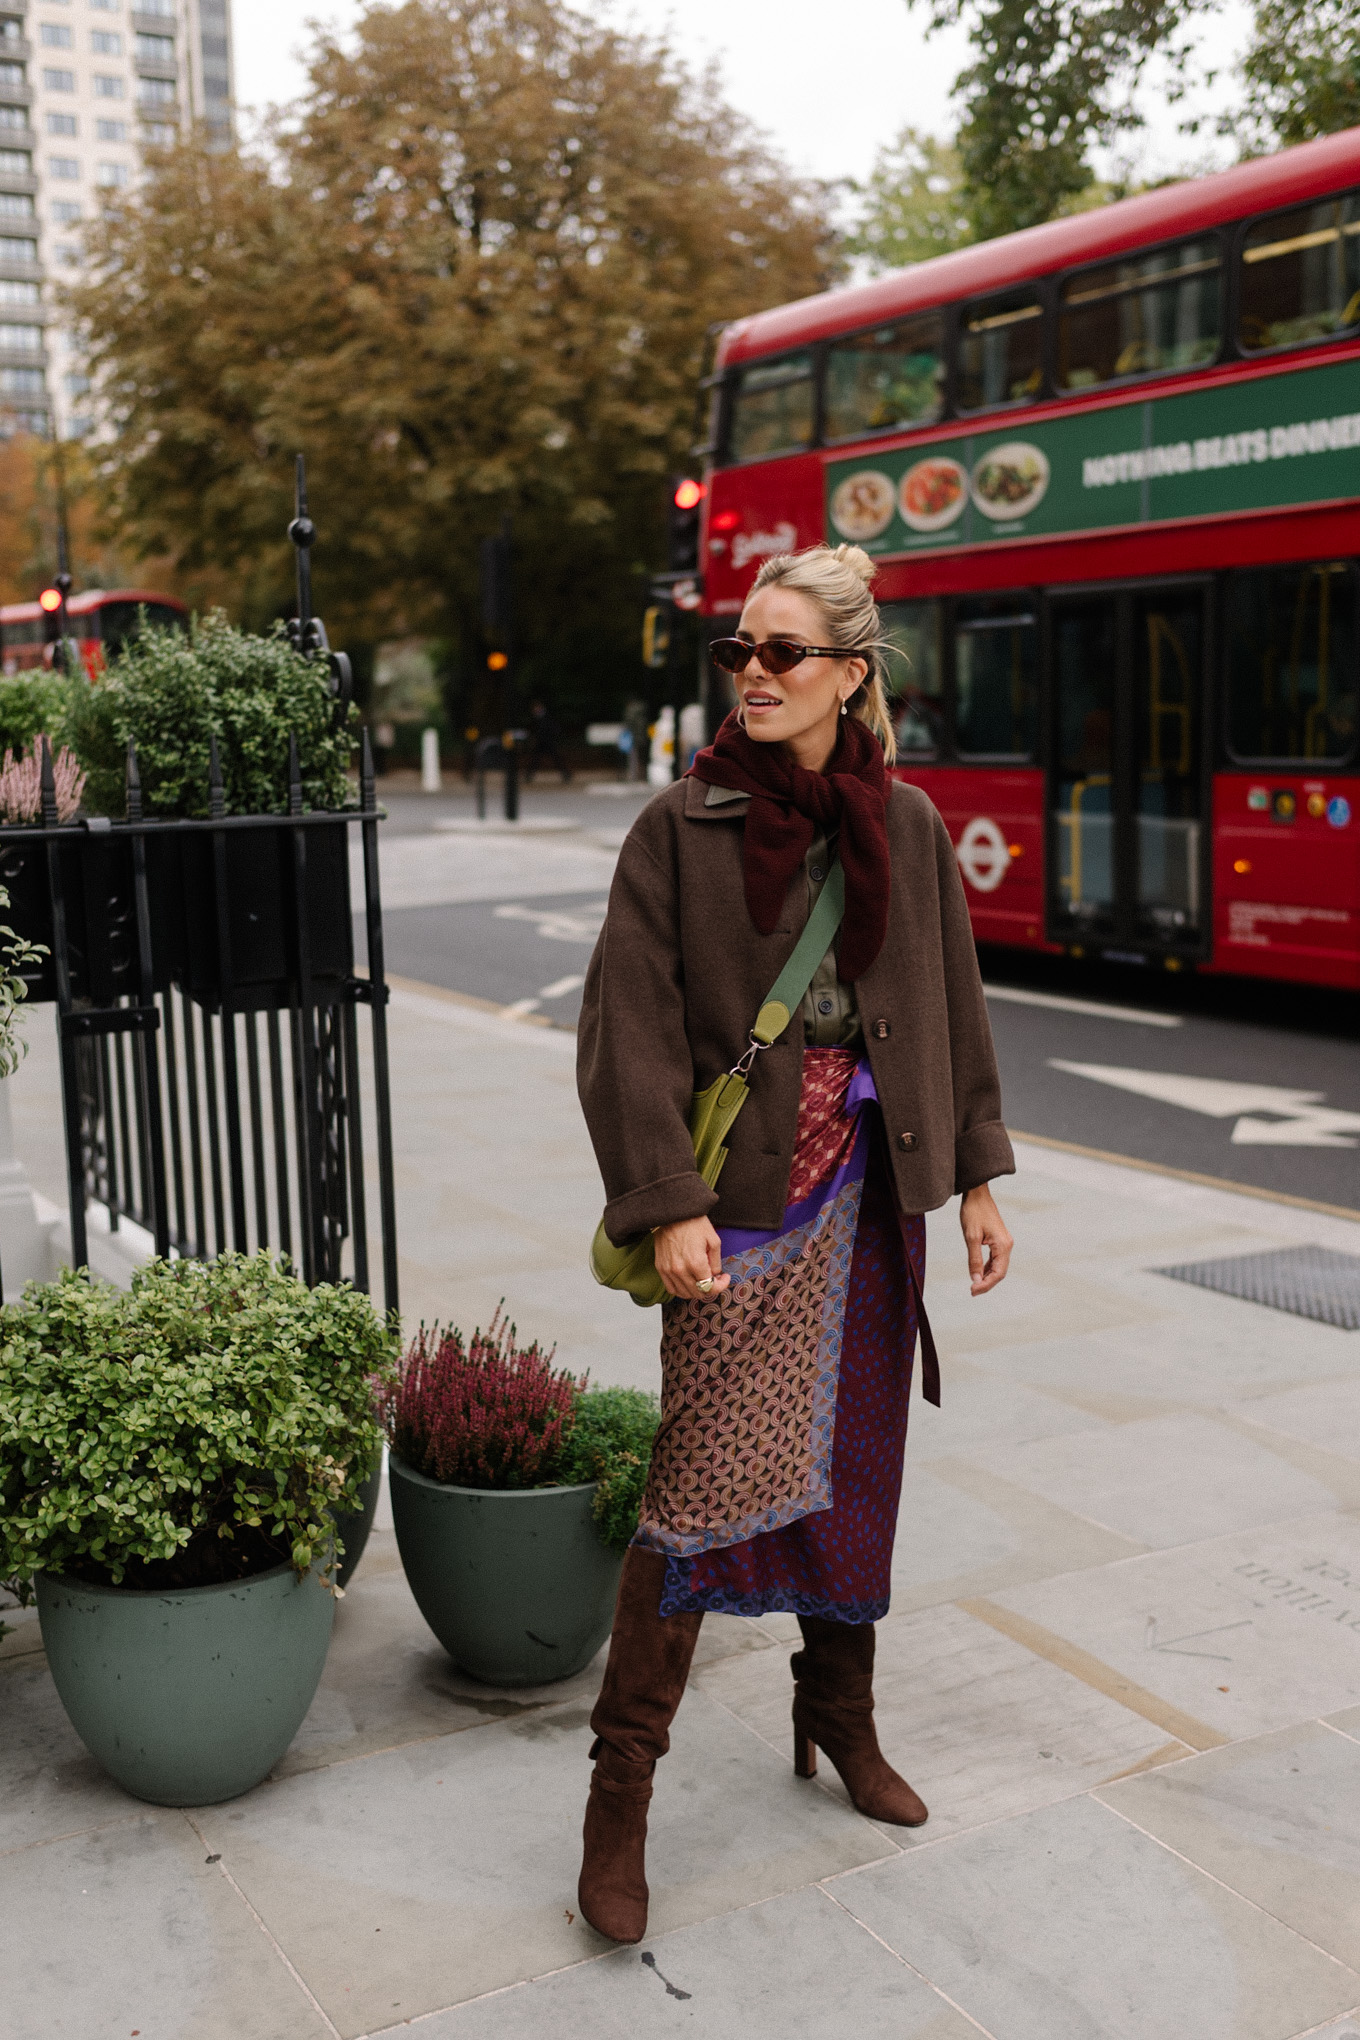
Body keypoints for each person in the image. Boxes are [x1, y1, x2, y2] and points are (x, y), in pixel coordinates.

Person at [575, 542, 1015, 1944]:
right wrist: (670, 1202)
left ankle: (840, 1718)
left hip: (874, 1202)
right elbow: (625, 1033)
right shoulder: (680, 826)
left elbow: (954, 1004)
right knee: (691, 1497)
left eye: (782, 654)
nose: (753, 676)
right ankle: (619, 1797)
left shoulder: (914, 823)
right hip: (743, 1212)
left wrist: (985, 1179)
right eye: (739, 652)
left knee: (855, 1473)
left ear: (850, 673)